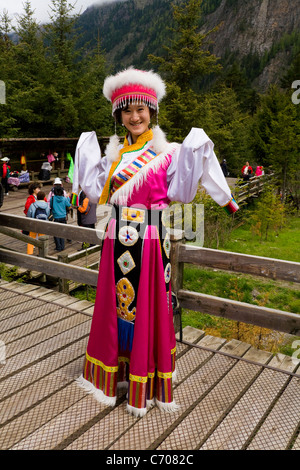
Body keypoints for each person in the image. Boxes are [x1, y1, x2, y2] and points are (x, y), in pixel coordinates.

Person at [72, 67, 239, 417]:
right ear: (119, 116)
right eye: (127, 111)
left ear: (152, 112)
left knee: (145, 307)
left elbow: (181, 191)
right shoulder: (113, 156)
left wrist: (221, 192)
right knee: (115, 309)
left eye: (141, 110)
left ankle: (142, 380)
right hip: (116, 241)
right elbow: (96, 192)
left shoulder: (170, 153)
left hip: (148, 244)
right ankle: (116, 372)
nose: (135, 116)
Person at [26, 191, 49, 255]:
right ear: (44, 197)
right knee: (41, 239)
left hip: (34, 224)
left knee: (31, 239)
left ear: (37, 197)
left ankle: (29, 253)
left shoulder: (33, 205)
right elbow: (48, 215)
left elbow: (29, 214)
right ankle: (41, 253)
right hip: (43, 224)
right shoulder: (47, 205)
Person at [50, 186, 71, 251]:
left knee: (56, 233)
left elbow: (51, 206)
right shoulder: (64, 199)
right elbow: (68, 205)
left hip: (56, 217)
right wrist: (68, 198)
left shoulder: (52, 199)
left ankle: (58, 247)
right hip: (63, 217)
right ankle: (62, 246)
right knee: (62, 232)